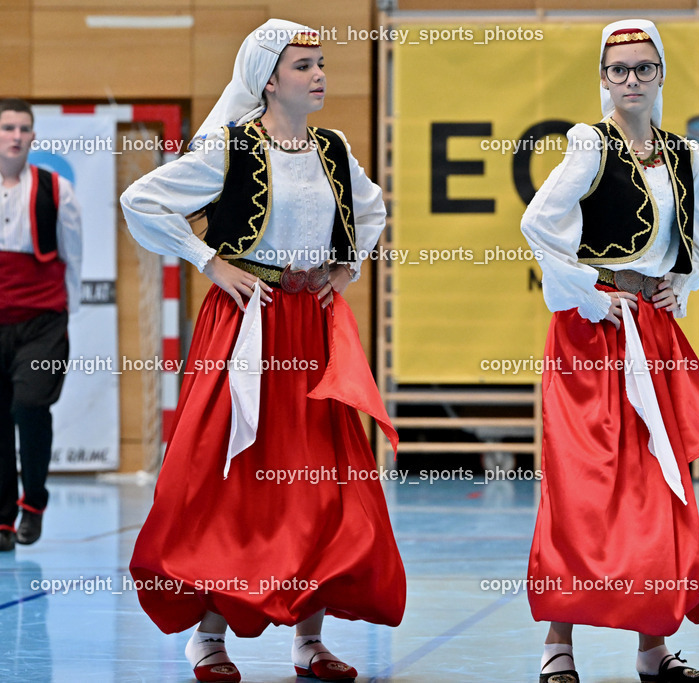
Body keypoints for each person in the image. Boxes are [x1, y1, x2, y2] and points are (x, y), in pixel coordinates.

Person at [120, 20, 403, 683]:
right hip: (247, 322)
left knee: (321, 484)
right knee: (232, 478)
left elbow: (373, 209)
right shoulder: (230, 146)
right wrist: (208, 261)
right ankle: (209, 637)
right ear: (269, 79)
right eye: (304, 66)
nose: (319, 74)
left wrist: (345, 268)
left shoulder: (333, 148)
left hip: (312, 326)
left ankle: (310, 638)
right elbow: (142, 200)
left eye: (321, 63)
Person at [521, 20, 699, 683]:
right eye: (619, 70)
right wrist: (589, 292)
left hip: (655, 329)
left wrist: (682, 280)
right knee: (583, 484)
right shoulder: (589, 144)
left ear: (661, 74)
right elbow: (538, 224)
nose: (632, 80)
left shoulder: (686, 155)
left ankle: (653, 648)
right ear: (603, 78)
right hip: (594, 333)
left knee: (658, 487)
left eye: (644, 68)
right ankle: (560, 641)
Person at [0, 97, 82, 552]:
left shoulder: (55, 190)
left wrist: (63, 314)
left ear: (33, 136)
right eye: (7, 127)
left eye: (23, 128)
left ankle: (34, 502)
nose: (15, 136)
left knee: (30, 407)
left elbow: (74, 254)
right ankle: (3, 518)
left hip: (42, 320)